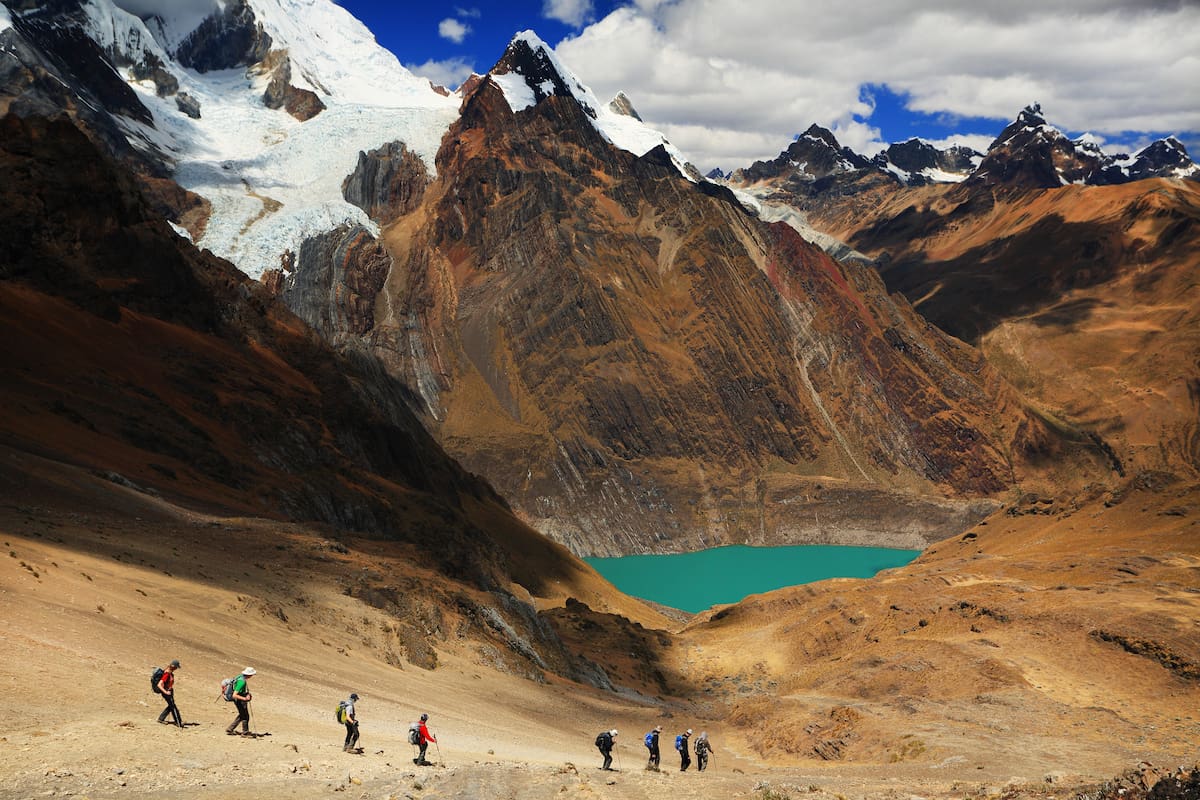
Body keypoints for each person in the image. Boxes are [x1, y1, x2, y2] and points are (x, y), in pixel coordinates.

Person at [225, 667, 255, 735]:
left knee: (242, 715)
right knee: (245, 716)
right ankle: (245, 732)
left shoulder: (239, 677)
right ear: (249, 675)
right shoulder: (242, 682)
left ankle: (230, 729)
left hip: (239, 699)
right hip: (240, 700)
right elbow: (234, 695)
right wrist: (245, 699)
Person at [156, 659, 182, 727]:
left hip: (169, 691)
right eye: (176, 667)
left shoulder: (169, 672)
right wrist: (166, 692)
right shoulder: (167, 673)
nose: (176, 668)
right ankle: (178, 722)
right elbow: (159, 684)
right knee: (173, 706)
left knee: (171, 705)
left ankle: (161, 719)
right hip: (166, 692)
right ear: (173, 666)